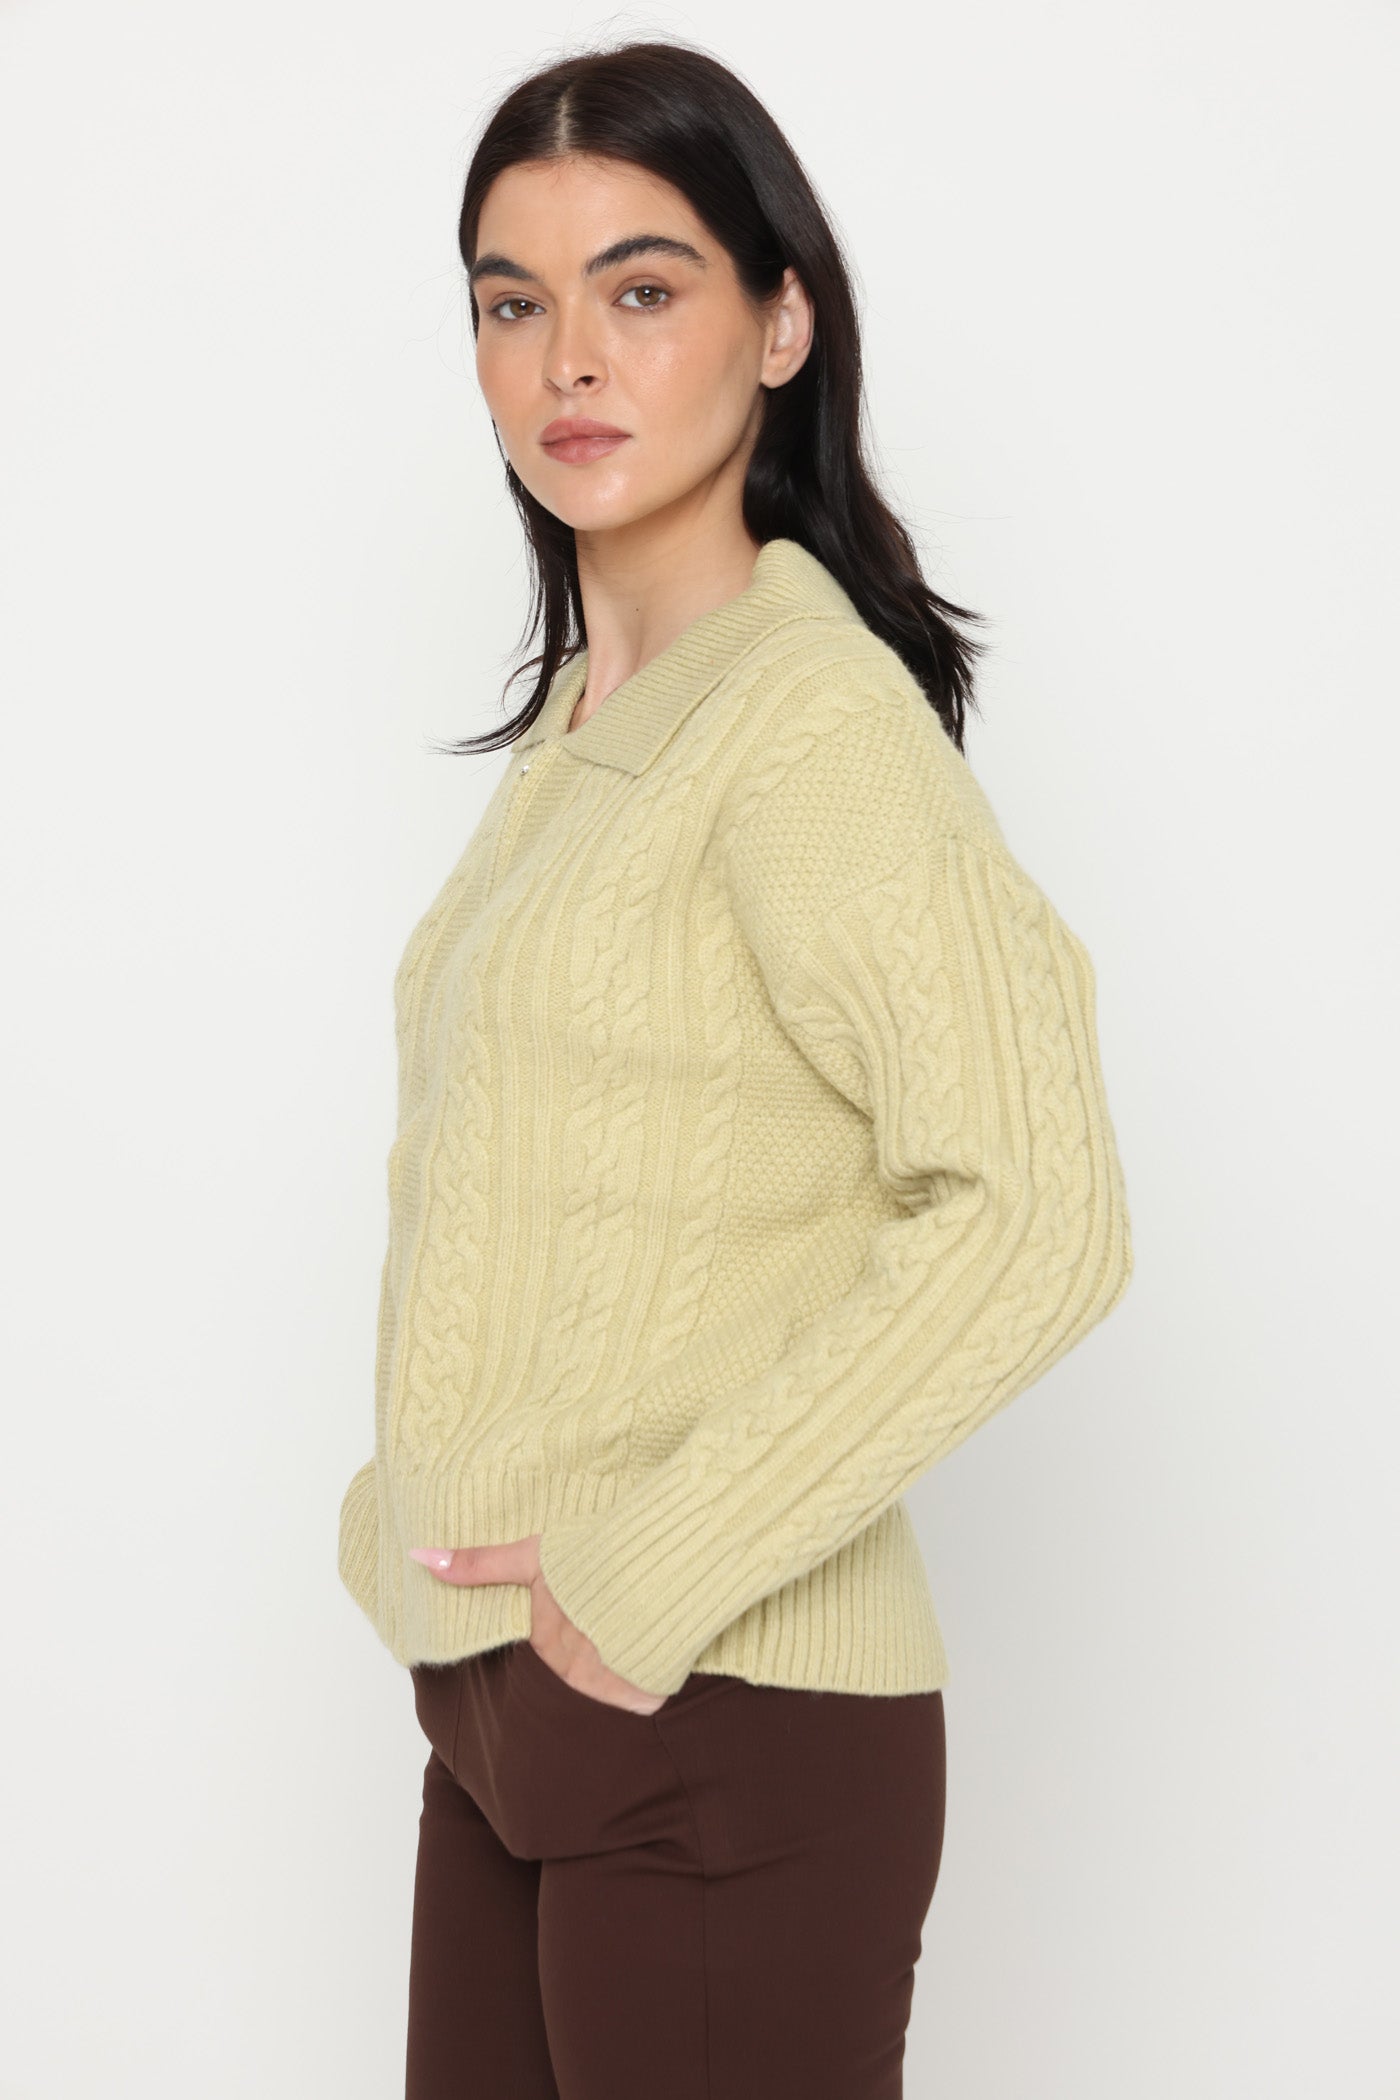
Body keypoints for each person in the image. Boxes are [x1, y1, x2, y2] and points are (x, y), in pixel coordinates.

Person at [336, 36, 1134, 2100]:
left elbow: (1038, 1212)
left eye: (644, 286)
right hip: (513, 1716)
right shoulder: (592, 733)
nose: (568, 360)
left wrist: (647, 1571)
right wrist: (410, 1518)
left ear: (781, 325)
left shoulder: (806, 726)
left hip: (720, 1720)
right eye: (511, 301)